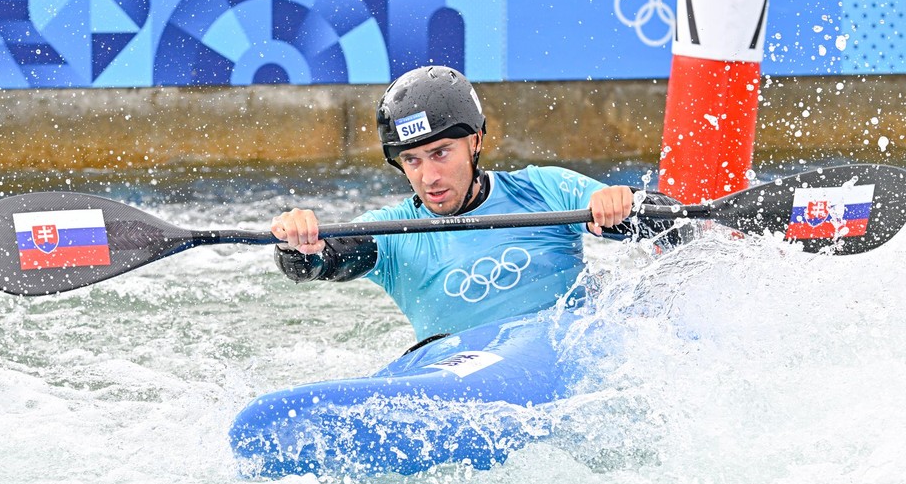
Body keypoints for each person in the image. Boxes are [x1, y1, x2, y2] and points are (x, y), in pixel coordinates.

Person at [271, 65, 677, 342]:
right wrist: (300, 246)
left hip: (567, 348)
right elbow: (318, 263)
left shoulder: (544, 190)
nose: (428, 176)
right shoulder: (391, 232)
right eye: (412, 160)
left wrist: (621, 205)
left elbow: (674, 227)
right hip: (462, 375)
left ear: (476, 141)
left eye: (441, 153)